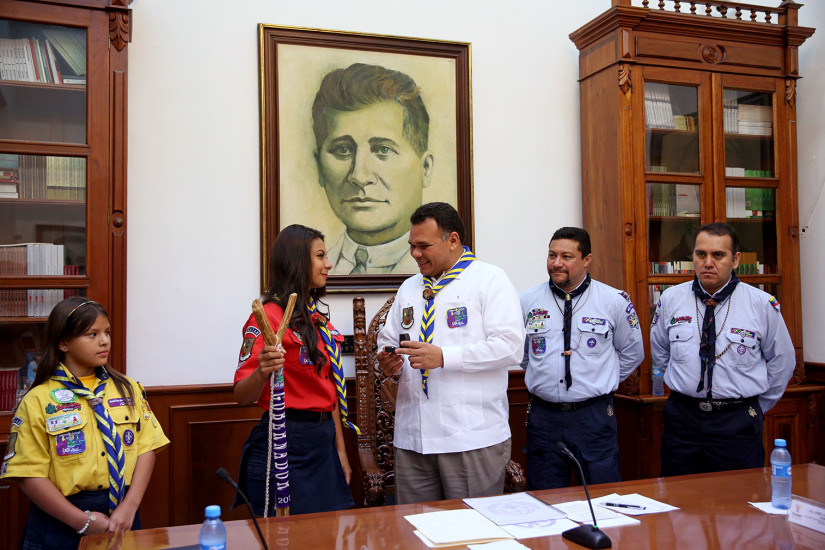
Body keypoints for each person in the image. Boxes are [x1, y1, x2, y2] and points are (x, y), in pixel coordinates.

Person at [376, 202, 524, 504]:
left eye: (423, 246)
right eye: (411, 246)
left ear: (452, 240)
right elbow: (389, 340)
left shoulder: (489, 279)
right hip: (413, 438)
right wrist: (390, 362)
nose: (415, 254)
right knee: (415, 534)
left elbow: (510, 347)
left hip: (470, 437)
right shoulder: (409, 288)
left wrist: (444, 357)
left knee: (471, 534)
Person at [1, 297, 169, 550]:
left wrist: (130, 506)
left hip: (122, 513)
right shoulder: (37, 399)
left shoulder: (127, 388)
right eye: (92, 334)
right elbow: (27, 473)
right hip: (61, 519)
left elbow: (147, 447)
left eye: (106, 332)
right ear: (63, 342)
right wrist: (81, 521)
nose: (104, 341)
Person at [651, 222, 795, 476]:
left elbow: (782, 361)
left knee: (739, 504)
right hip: (683, 419)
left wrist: (758, 407)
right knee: (680, 501)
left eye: (718, 255)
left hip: (736, 422)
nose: (708, 262)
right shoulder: (671, 299)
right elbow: (661, 352)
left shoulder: (761, 304)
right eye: (700, 254)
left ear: (735, 259)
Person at [234, 224, 356, 515]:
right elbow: (241, 395)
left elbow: (330, 393)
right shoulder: (267, 318)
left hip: (322, 442)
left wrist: (341, 451)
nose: (328, 263)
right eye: (320, 256)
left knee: (325, 536)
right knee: (286, 538)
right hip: (286, 442)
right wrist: (262, 371)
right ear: (297, 261)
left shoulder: (315, 319)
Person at [520, 227, 644, 489]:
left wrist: (601, 378)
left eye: (566, 256)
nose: (556, 263)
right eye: (552, 255)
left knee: (602, 496)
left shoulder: (613, 300)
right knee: (545, 499)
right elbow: (522, 355)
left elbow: (633, 352)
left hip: (593, 417)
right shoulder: (527, 300)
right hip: (544, 418)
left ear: (587, 259)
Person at [312, 63, 434, 274]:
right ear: (319, 168)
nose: (359, 176)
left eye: (383, 150)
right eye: (342, 150)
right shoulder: (316, 277)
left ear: (425, 168)